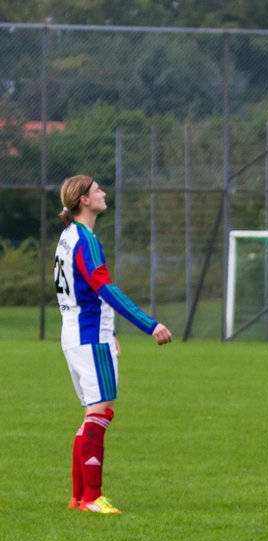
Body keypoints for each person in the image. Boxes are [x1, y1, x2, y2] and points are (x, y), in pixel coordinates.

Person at [55, 175, 172, 514]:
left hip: (77, 334)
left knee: (93, 411)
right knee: (100, 411)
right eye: (97, 190)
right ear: (84, 200)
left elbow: (82, 291)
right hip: (90, 337)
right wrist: (150, 324)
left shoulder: (68, 237)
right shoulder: (86, 240)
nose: (103, 193)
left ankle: (79, 497)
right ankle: (92, 497)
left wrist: (110, 329)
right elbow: (105, 288)